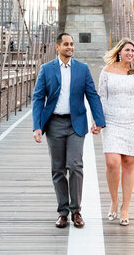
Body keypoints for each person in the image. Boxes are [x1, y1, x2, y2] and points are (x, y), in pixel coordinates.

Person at [32, 32, 106, 229]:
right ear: (58, 47)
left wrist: (98, 120)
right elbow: (38, 98)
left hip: (76, 124)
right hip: (54, 123)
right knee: (57, 169)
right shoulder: (46, 69)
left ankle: (76, 211)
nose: (70, 47)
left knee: (74, 166)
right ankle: (62, 212)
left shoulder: (82, 69)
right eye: (66, 44)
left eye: (72, 44)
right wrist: (37, 126)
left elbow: (92, 95)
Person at [97, 37, 134, 226]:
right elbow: (101, 97)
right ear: (119, 52)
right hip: (112, 120)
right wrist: (98, 122)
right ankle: (114, 201)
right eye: (127, 50)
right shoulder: (106, 71)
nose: (130, 53)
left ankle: (125, 208)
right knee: (112, 162)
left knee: (129, 163)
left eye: (133, 51)